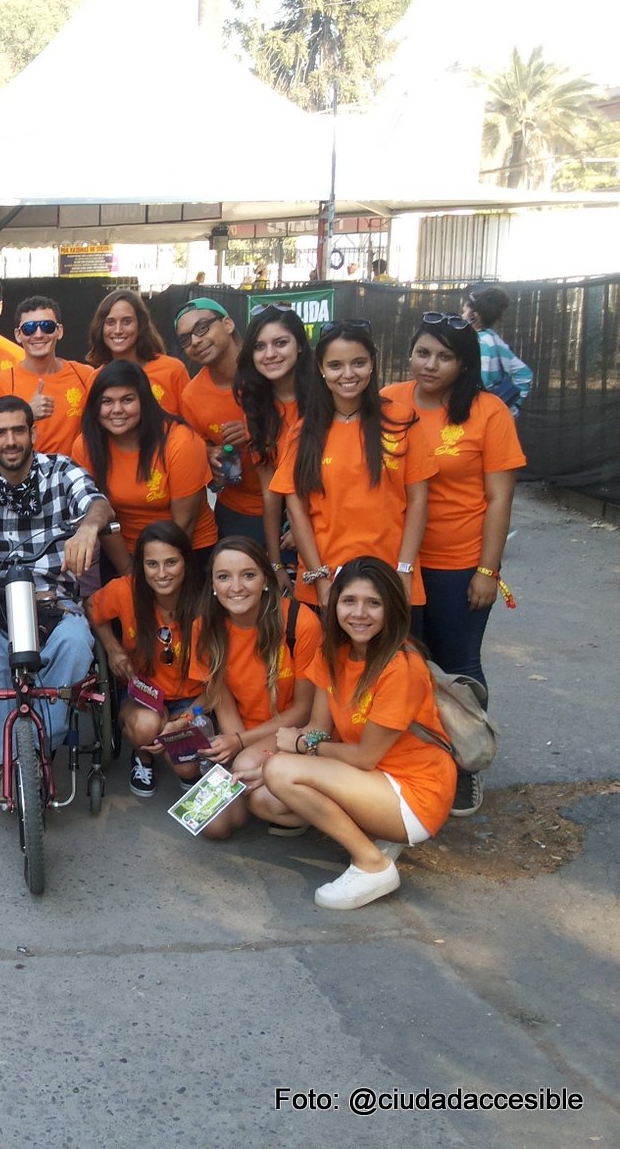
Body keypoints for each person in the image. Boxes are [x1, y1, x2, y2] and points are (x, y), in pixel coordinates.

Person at [383, 312, 524, 818]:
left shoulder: (487, 413)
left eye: (444, 356)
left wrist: (487, 570)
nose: (431, 364)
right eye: (423, 352)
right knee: (407, 665)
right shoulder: (389, 400)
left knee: (459, 666)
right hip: (397, 560)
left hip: (458, 562)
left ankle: (467, 763)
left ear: (463, 364)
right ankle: (421, 761)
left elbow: (498, 497)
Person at [253, 558, 455, 910]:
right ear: (335, 605)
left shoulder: (402, 667)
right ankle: (379, 835)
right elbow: (318, 729)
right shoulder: (334, 652)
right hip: (371, 779)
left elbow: (361, 756)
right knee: (264, 798)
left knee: (280, 773)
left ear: (391, 607)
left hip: (415, 792)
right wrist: (275, 757)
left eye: (373, 603)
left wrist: (298, 749)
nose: (359, 613)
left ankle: (372, 864)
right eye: (349, 601)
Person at [0, 396, 111, 765]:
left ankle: (37, 751)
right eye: (1, 432)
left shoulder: (61, 470)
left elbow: (98, 503)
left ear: (33, 432)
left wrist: (87, 529)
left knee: (78, 644)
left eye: (18, 430)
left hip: (53, 599)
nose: (10, 441)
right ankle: (8, 758)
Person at [271, 323, 436, 607]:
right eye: (335, 365)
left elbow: (419, 501)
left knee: (398, 654)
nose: (348, 374)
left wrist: (405, 570)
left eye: (358, 362)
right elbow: (296, 509)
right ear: (321, 369)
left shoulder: (401, 421)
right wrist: (318, 578)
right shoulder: (303, 433)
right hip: (326, 581)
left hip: (391, 580)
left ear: (372, 364)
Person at [188, 537, 322, 840]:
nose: (236, 587)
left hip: (292, 732)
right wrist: (232, 746)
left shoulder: (300, 623)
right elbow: (222, 699)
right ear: (212, 584)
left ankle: (298, 801)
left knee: (255, 779)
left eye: (248, 575)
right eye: (224, 577)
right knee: (213, 826)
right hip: (244, 734)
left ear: (265, 579)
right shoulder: (205, 626)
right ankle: (261, 787)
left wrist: (240, 743)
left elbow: (303, 710)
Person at [89, 521, 207, 797]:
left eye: (171, 563)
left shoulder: (205, 604)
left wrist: (184, 719)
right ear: (141, 565)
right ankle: (143, 758)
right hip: (142, 694)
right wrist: (113, 648)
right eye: (152, 564)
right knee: (146, 727)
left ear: (186, 562)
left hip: (193, 699)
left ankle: (177, 748)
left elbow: (217, 687)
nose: (162, 573)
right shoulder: (125, 589)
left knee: (187, 769)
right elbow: (91, 610)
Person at [75, 360, 218, 579]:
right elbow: (102, 516)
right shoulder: (86, 446)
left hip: (186, 549)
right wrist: (129, 575)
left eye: (127, 400)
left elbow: (185, 524)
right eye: (106, 401)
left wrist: (161, 574)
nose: (117, 410)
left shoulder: (181, 441)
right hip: (122, 551)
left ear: (145, 401)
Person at [174, 297, 265, 543]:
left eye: (202, 328)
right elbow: (195, 446)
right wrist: (208, 453)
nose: (195, 341)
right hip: (237, 513)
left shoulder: (268, 367)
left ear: (227, 324)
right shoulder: (192, 395)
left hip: (294, 504)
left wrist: (255, 429)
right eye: (185, 339)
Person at [235, 306, 311, 591]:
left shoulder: (327, 397)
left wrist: (304, 526)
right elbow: (270, 492)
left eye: (280, 343)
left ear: (300, 346)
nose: (270, 354)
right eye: (259, 346)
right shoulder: (255, 407)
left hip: (333, 527)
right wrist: (275, 563)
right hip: (284, 531)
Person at [0, 296, 97, 456]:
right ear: (18, 335)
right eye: (29, 328)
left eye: (47, 326)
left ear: (59, 331)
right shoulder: (0, 384)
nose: (38, 334)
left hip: (75, 476)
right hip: (23, 476)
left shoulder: (84, 375)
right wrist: (28, 414)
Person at [86, 288, 188, 415]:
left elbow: (192, 427)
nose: (118, 330)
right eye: (110, 322)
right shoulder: (95, 379)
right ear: (100, 327)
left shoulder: (173, 370)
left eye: (126, 321)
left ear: (141, 325)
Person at [463, 286, 531, 416]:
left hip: (479, 414)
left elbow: (479, 382)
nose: (462, 316)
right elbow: (524, 373)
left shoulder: (479, 342)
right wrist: (514, 406)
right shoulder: (495, 340)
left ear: (474, 316)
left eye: (465, 312)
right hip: (494, 412)